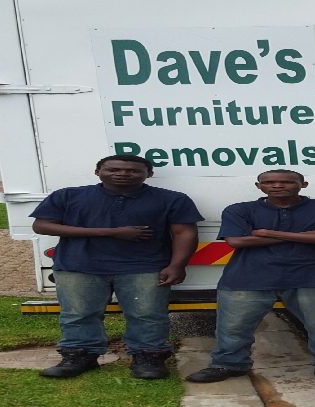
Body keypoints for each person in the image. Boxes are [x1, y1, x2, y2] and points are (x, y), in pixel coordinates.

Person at [185, 169, 315, 385]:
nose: (277, 186)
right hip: (248, 277)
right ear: (258, 186)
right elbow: (236, 241)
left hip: (312, 275)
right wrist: (309, 236)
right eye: (269, 182)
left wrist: (266, 233)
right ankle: (227, 364)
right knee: (234, 327)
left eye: (287, 182)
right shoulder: (239, 210)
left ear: (303, 184)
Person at [31, 155, 203, 380]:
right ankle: (79, 355)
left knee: (148, 315)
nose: (122, 174)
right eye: (114, 169)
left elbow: (184, 233)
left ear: (149, 174)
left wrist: (177, 265)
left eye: (133, 170)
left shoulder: (171, 199)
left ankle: (148, 357)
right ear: (98, 172)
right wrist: (112, 232)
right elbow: (41, 226)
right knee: (78, 314)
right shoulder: (68, 195)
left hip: (144, 266)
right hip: (78, 265)